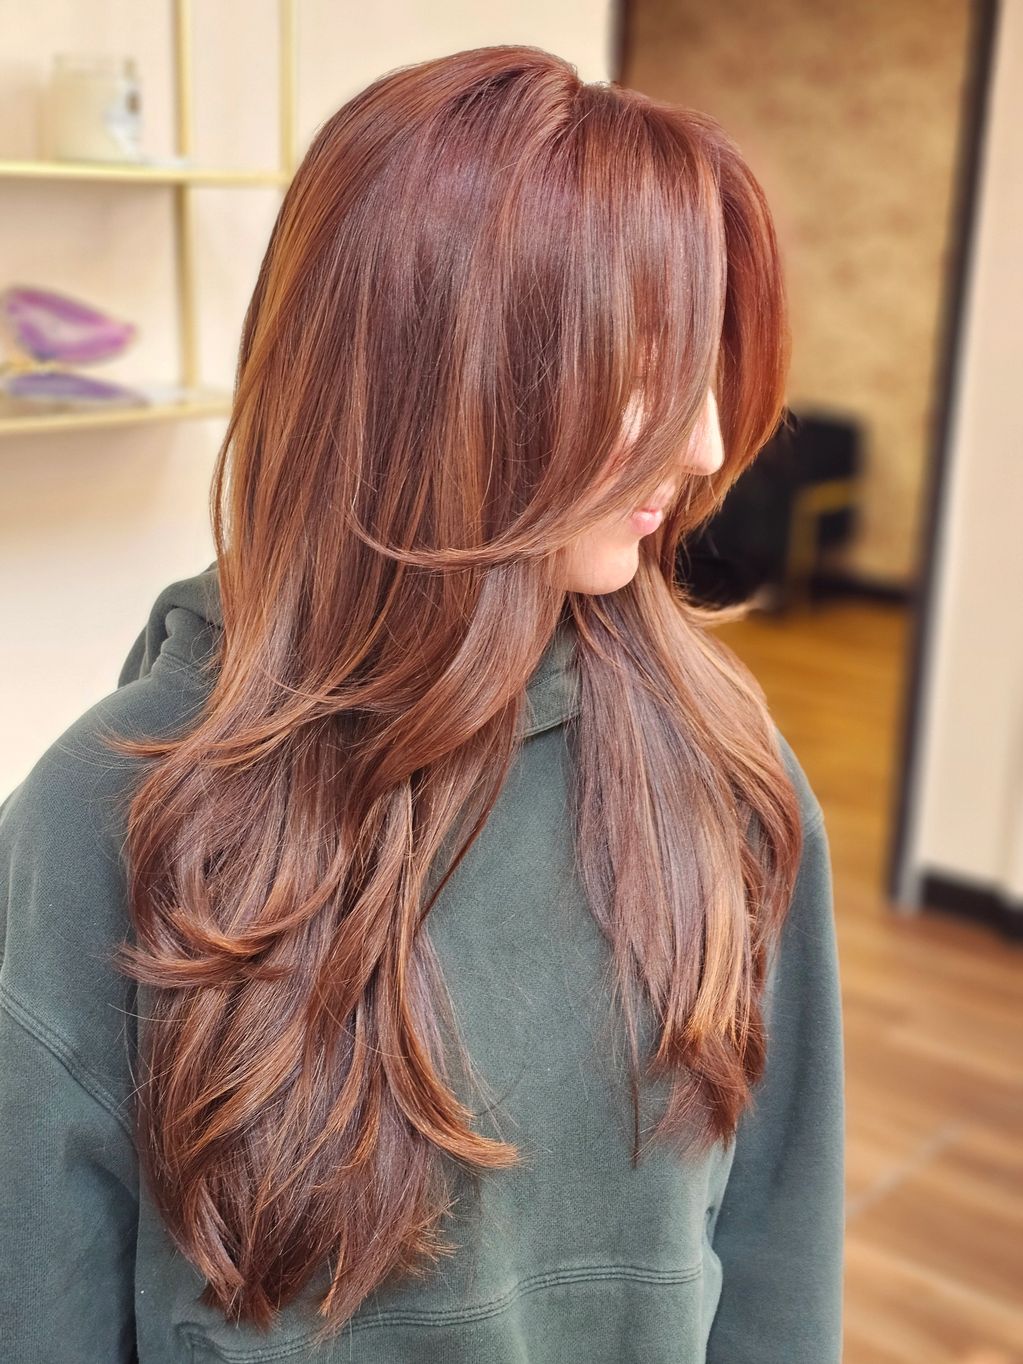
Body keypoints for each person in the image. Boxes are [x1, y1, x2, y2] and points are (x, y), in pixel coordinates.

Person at [0, 43, 845, 1364]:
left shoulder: (726, 771)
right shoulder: (97, 823)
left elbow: (779, 1265)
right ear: (443, 380)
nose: (707, 451)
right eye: (651, 375)